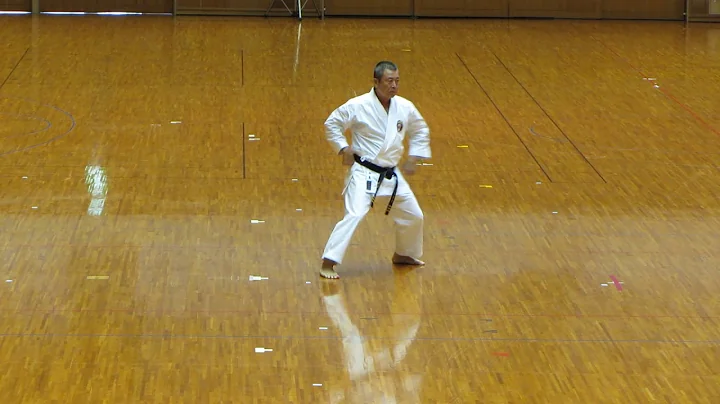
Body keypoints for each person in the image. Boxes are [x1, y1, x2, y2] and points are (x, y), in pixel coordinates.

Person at [319, 61, 432, 279]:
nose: (394, 86)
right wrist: (343, 148)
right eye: (389, 81)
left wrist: (414, 156)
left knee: (414, 215)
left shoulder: (404, 106)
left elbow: (420, 129)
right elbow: (332, 124)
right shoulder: (358, 105)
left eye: (397, 81)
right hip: (364, 173)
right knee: (354, 214)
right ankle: (328, 262)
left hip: (391, 173)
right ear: (376, 81)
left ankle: (404, 254)